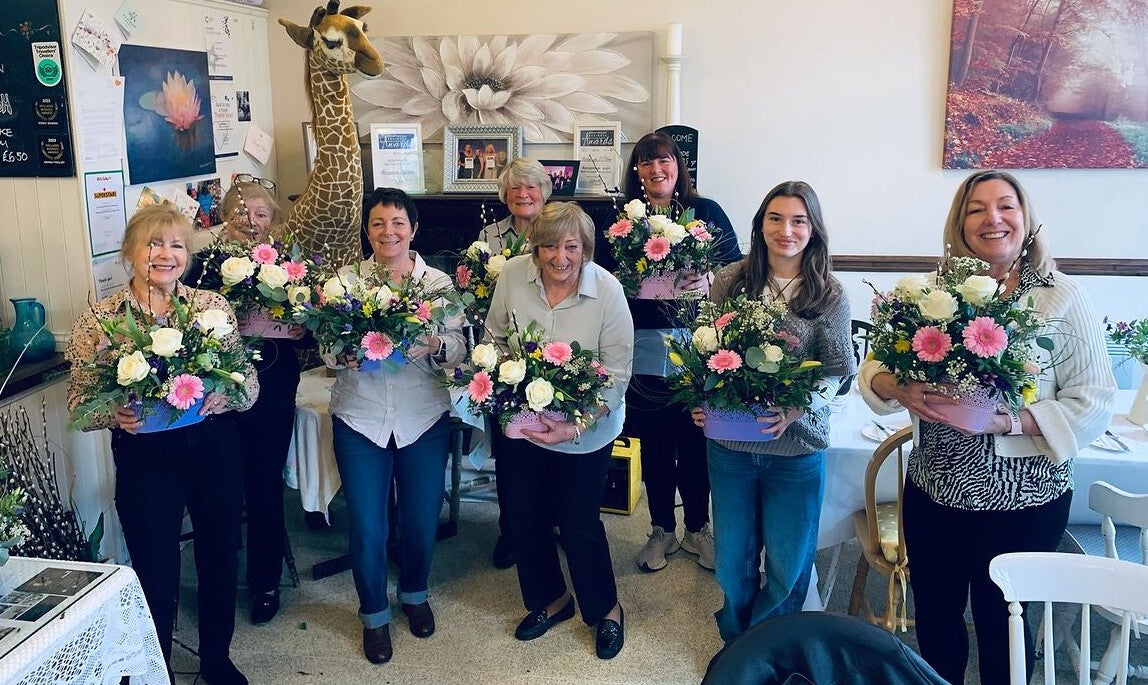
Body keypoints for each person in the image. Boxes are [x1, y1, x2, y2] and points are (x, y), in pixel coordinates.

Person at [857, 170, 1115, 685]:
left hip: (1026, 500)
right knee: (936, 619)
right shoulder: (933, 292)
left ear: (1027, 219)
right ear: (960, 224)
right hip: (934, 490)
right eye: (976, 208)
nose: (992, 218)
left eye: (1005, 206)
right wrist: (897, 387)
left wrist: (1009, 421)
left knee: (1007, 628)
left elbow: (1095, 402)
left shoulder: (1061, 297)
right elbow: (874, 367)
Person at [66, 204, 259, 685]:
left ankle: (216, 658)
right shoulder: (100, 320)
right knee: (154, 565)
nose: (165, 254)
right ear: (130, 252)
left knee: (220, 554)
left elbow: (249, 384)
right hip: (146, 455)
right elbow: (79, 402)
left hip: (212, 447)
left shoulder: (211, 309)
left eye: (176, 245)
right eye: (153, 243)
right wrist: (113, 414)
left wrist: (226, 395)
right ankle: (157, 669)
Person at [692, 181, 855, 643]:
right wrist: (702, 400)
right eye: (775, 218)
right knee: (732, 561)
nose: (786, 230)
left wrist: (796, 409)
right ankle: (737, 645)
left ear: (813, 228)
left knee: (788, 564)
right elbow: (706, 350)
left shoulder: (829, 293)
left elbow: (836, 372)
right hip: (730, 446)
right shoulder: (732, 280)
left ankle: (770, 647)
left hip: (795, 451)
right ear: (760, 225)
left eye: (798, 221)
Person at [483, 202, 634, 660]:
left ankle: (605, 609)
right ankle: (551, 599)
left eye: (571, 247)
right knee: (524, 515)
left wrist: (574, 426)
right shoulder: (513, 275)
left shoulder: (607, 291)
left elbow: (617, 375)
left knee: (577, 522)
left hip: (586, 428)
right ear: (535, 247)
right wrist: (501, 379)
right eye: (549, 246)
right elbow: (494, 337)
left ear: (586, 249)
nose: (560, 257)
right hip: (523, 423)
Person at [328, 187, 466, 665]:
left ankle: (414, 593)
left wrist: (435, 344)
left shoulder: (437, 284)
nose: (388, 232)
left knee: (421, 519)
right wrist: (343, 354)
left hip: (422, 416)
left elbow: (460, 346)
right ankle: (373, 615)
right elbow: (328, 346)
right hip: (360, 417)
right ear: (367, 232)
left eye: (398, 223)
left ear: (414, 229)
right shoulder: (346, 283)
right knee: (368, 525)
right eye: (378, 223)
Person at [617, 131, 742, 573]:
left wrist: (708, 279)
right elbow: (606, 276)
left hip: (699, 345)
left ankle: (697, 528)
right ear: (637, 171)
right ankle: (660, 529)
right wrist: (629, 280)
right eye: (646, 162)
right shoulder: (623, 219)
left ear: (677, 166)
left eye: (664, 160)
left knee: (695, 439)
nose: (656, 169)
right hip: (644, 345)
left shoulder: (705, 212)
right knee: (654, 441)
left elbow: (737, 269)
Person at [183, 177, 302, 625]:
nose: (251, 221)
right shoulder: (203, 265)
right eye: (241, 213)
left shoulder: (289, 265)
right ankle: (218, 579)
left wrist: (300, 328)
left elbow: (312, 326)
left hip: (273, 384)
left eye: (261, 214)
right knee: (219, 486)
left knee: (264, 484)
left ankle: (265, 582)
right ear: (224, 218)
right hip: (217, 390)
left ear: (273, 221)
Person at [477, 158, 554, 570]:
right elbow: (479, 291)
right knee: (511, 449)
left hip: (557, 351)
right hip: (508, 352)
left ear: (545, 192)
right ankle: (511, 531)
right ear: (504, 194)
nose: (523, 194)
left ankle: (553, 523)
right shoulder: (488, 236)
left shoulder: (558, 228)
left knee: (553, 441)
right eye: (515, 188)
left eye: (531, 187)